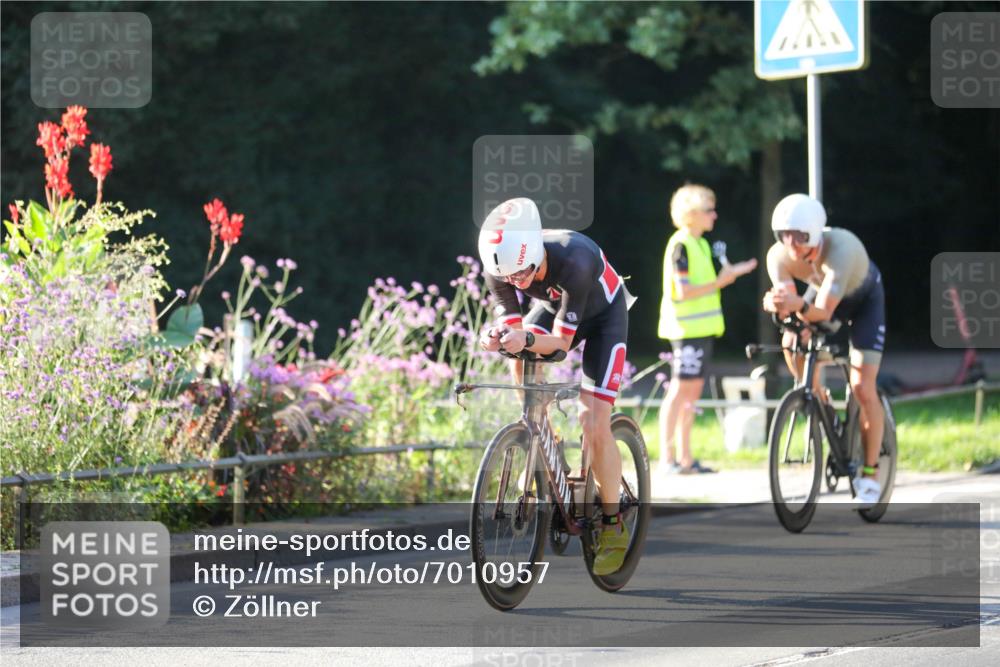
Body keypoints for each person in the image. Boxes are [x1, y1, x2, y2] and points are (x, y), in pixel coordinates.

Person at [477, 197, 634, 575]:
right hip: (556, 307)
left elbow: (561, 348)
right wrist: (498, 336)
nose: (516, 283)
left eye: (522, 274)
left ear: (535, 252)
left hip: (603, 318)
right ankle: (540, 436)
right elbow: (514, 327)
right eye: (508, 278)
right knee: (517, 355)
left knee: (592, 421)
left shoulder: (574, 260)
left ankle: (613, 524)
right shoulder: (500, 265)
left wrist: (526, 341)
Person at [762, 193, 887, 508]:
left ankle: (870, 475)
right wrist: (777, 307)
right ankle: (818, 398)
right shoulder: (777, 256)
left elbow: (823, 311)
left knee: (861, 386)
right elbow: (795, 313)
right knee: (792, 340)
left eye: (800, 236)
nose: (791, 243)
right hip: (823, 298)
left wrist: (798, 306)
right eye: (783, 235)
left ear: (816, 233)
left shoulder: (842, 248)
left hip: (862, 302)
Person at [657, 184, 757, 475]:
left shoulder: (699, 244)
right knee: (679, 391)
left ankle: (685, 458)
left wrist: (729, 275)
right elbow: (683, 292)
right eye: (708, 210)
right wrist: (721, 282)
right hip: (686, 330)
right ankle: (668, 458)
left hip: (700, 331)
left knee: (691, 393)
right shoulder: (681, 245)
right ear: (691, 214)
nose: (714, 215)